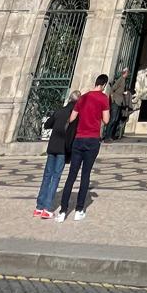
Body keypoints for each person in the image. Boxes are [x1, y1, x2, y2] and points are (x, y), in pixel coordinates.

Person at [56, 74, 112, 222]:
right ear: (104, 84)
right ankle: (79, 210)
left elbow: (72, 118)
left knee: (71, 176)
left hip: (78, 140)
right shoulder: (103, 98)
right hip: (92, 140)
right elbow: (106, 120)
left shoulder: (83, 97)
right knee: (85, 175)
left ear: (95, 83)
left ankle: (62, 211)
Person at [34, 91, 79, 218]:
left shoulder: (59, 111)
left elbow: (48, 124)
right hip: (62, 149)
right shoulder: (74, 114)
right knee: (55, 177)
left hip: (52, 146)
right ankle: (47, 208)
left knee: (47, 176)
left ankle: (39, 207)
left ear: (69, 99)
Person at [108, 68, 132, 139]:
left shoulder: (123, 80)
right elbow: (113, 89)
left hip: (119, 102)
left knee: (115, 120)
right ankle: (107, 136)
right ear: (125, 73)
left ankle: (111, 136)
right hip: (116, 101)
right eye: (128, 73)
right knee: (112, 120)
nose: (128, 74)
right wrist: (113, 99)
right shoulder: (120, 79)